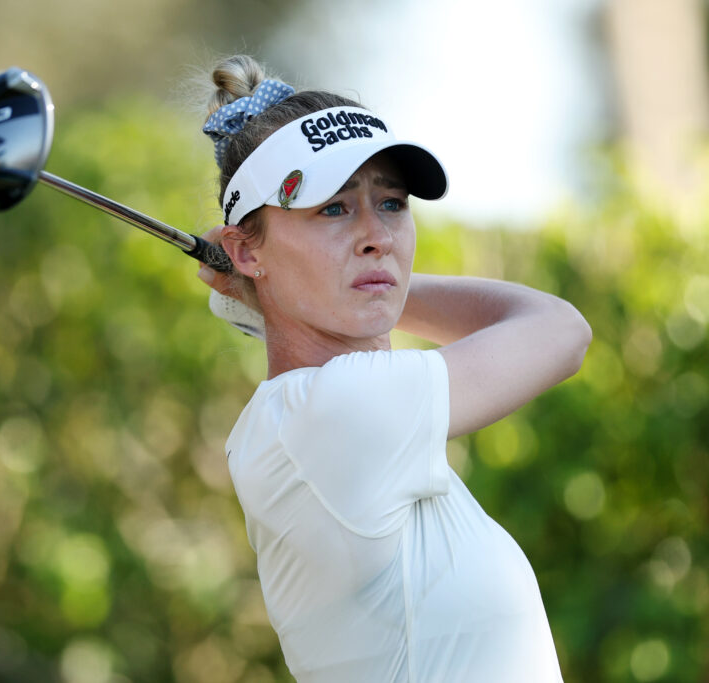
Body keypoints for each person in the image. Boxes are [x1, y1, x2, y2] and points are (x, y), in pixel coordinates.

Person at [195, 55, 592, 683]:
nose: (377, 235)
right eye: (333, 209)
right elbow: (562, 330)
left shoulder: (302, 418)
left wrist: (308, 285)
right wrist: (377, 283)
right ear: (242, 250)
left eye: (391, 203)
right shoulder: (338, 412)